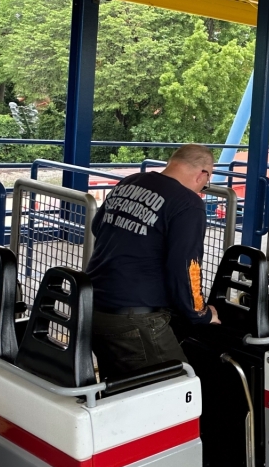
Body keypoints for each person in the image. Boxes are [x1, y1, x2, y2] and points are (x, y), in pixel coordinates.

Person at [88, 144, 220, 380]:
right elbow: (187, 268)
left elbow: (98, 228)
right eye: (206, 184)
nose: (202, 189)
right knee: (179, 389)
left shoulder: (130, 182)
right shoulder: (188, 203)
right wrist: (201, 313)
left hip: (92, 305)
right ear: (203, 174)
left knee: (121, 389)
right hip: (135, 320)